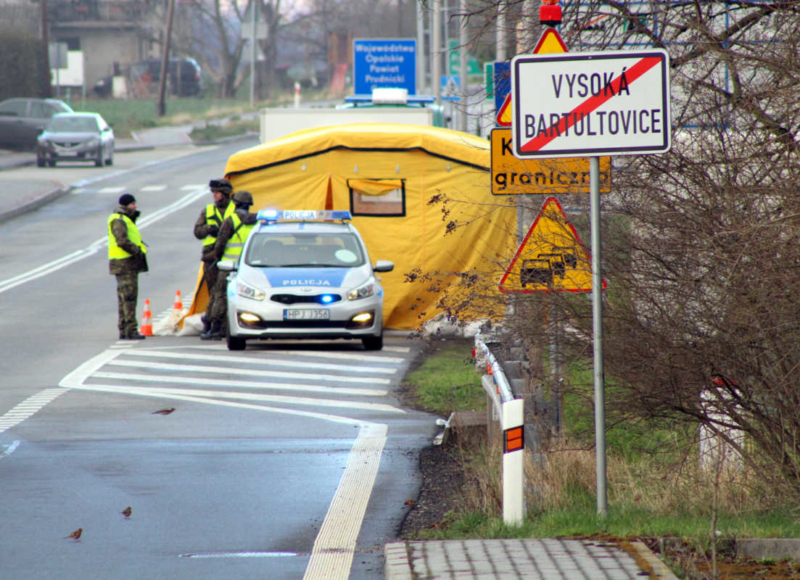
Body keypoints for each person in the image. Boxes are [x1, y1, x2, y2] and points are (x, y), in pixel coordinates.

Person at [201, 191, 258, 340]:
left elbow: (220, 244)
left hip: (229, 266)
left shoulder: (231, 220)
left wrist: (217, 256)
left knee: (220, 295)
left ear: (236, 204)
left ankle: (216, 328)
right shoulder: (256, 220)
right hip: (249, 267)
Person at [194, 178, 235, 337]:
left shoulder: (235, 208)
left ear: (225, 193)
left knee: (225, 293)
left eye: (217, 193)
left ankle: (223, 325)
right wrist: (209, 229)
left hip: (229, 257)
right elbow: (197, 232)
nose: (214, 196)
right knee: (214, 292)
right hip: (211, 257)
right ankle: (212, 324)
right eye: (213, 193)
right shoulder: (208, 210)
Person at [108, 193, 148, 339]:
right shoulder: (119, 219)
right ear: (125, 205)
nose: (135, 206)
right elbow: (122, 241)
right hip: (124, 264)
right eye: (132, 204)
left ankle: (124, 329)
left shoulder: (124, 218)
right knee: (129, 298)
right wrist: (137, 251)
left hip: (125, 264)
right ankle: (130, 329)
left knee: (125, 298)